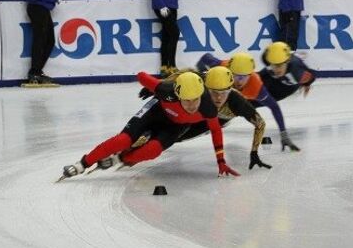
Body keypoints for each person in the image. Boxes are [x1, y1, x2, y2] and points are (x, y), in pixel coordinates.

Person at [59, 71, 239, 180]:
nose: (192, 105)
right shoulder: (166, 90)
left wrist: (221, 162)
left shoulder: (208, 107)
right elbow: (141, 76)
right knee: (122, 140)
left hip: (174, 127)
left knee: (152, 151)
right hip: (155, 113)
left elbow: (216, 131)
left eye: (196, 100)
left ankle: (121, 159)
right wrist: (153, 85)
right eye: (187, 100)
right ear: (177, 95)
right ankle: (83, 163)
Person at [136, 66, 271, 170]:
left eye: (223, 93)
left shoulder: (238, 103)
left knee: (178, 137)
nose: (218, 98)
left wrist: (254, 152)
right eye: (213, 92)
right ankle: (138, 138)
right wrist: (159, 85)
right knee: (170, 122)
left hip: (216, 119)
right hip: (199, 108)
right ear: (206, 87)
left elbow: (260, 124)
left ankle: (137, 153)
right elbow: (185, 74)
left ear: (230, 89)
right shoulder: (201, 80)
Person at [196, 52, 301, 152]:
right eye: (235, 75)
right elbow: (204, 58)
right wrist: (205, 74)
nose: (239, 81)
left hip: (231, 106)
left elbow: (274, 107)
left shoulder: (256, 86)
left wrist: (284, 134)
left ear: (250, 75)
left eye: (243, 76)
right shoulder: (222, 67)